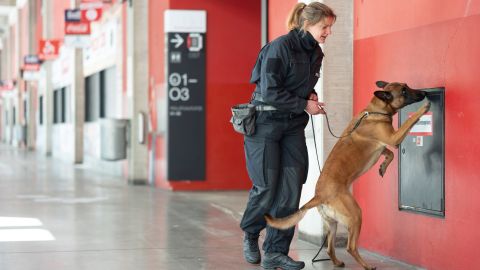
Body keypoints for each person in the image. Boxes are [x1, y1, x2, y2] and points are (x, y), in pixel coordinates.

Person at [240, 2, 336, 270]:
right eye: (324, 26)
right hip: (264, 125)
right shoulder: (280, 47)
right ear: (308, 24)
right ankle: (250, 232)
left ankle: (275, 251)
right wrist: (304, 104)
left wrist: (310, 94)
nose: (328, 32)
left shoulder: (316, 52)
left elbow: (300, 85)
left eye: (330, 27)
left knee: (292, 190)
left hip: (292, 125)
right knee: (267, 187)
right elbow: (270, 92)